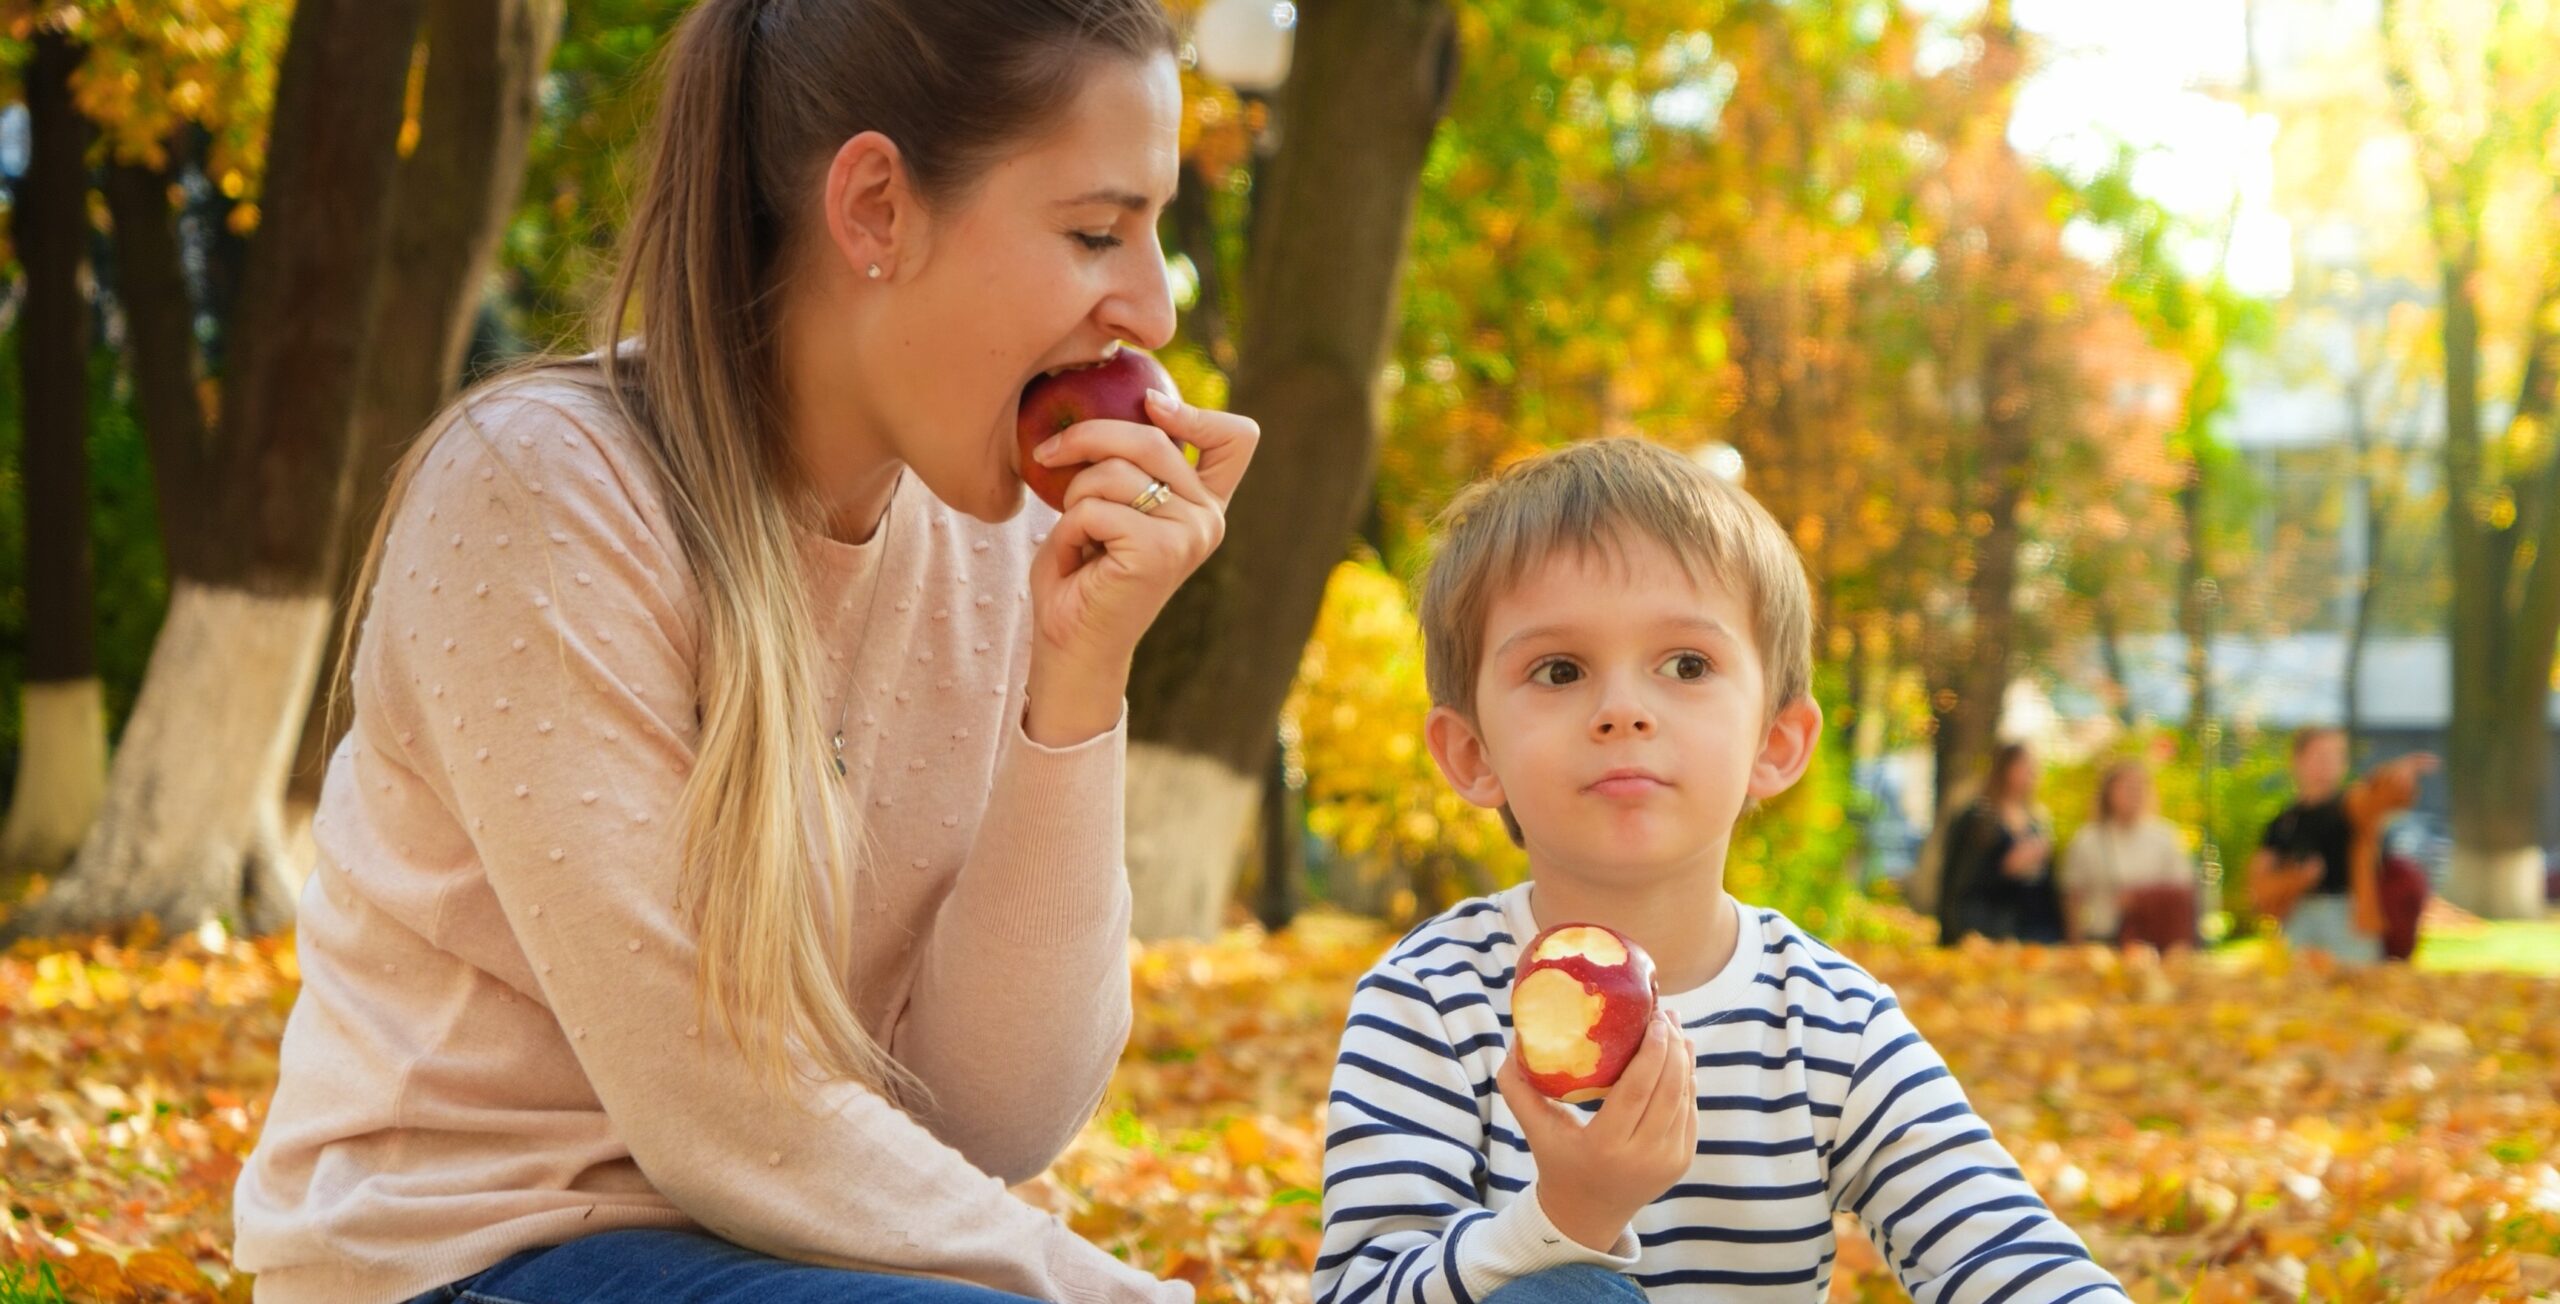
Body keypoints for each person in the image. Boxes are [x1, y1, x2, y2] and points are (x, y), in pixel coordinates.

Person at [232, 4, 1259, 1302]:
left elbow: (1000, 1120)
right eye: (1096, 231)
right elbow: (716, 1116)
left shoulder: (989, 538)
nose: (1152, 308)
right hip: (477, 1258)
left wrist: (1082, 674)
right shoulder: (535, 495)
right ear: (877, 209)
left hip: (804, 1256)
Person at [1313, 440, 2127, 1302]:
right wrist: (1564, 1217)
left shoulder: (1826, 1022)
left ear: (1775, 744)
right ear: (1473, 753)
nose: (1623, 710)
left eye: (1687, 665)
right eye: (1559, 670)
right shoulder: (1430, 1002)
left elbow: (2004, 1253)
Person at [2249, 727, 2433, 966]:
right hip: (2300, 916)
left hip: (2349, 918)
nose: (2327, 764)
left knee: (2357, 990)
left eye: (2336, 756)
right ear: (2297, 760)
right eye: (2320, 756)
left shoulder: (2351, 808)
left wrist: (2395, 776)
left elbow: (2378, 796)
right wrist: (2296, 879)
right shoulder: (2284, 823)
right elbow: (2258, 882)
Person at [2058, 760, 2200, 951]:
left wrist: (2140, 899)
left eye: (2140, 787)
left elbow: (2182, 892)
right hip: (2101, 938)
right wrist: (2076, 944)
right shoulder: (2087, 839)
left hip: (2152, 942)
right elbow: (2073, 896)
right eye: (2127, 787)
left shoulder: (2164, 837)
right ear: (2109, 792)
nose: (2134, 794)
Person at [1935, 744, 2066, 945]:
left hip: (2033, 931)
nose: (2030, 774)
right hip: (1985, 930)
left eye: (2033, 768)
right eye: (2023, 767)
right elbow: (1958, 880)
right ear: (2004, 768)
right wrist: (2005, 868)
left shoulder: (2037, 821)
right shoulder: (1978, 817)